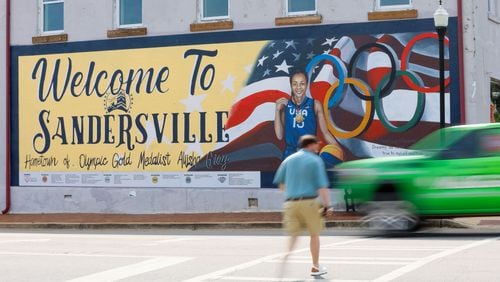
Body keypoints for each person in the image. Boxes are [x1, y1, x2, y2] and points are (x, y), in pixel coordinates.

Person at [273, 134, 333, 277]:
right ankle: (315, 266)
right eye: (316, 144)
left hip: (290, 203)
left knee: (293, 236)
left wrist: (292, 191)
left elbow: (280, 184)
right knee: (314, 234)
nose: (318, 146)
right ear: (310, 145)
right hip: (309, 202)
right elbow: (322, 187)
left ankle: (284, 258)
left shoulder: (288, 160)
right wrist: (327, 205)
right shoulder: (315, 160)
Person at [274, 70, 341, 159]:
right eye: (295, 84)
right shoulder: (285, 105)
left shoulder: (315, 104)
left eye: (302, 83)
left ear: (306, 85)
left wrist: (338, 150)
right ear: (291, 85)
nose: (299, 87)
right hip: (290, 155)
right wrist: (277, 111)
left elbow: (325, 133)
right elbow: (279, 136)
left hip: (310, 154)